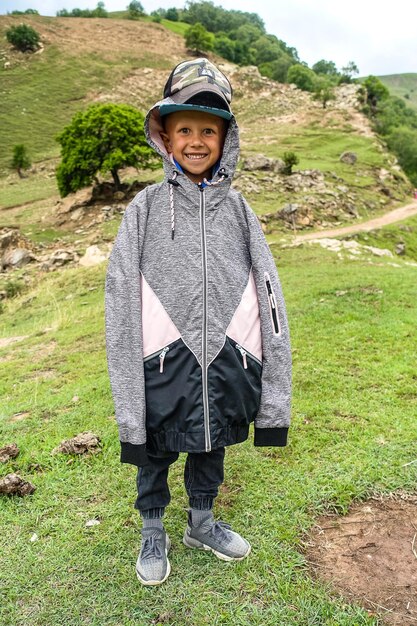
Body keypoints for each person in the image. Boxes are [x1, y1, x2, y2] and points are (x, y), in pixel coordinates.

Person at [104, 57, 292, 586]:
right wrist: (127, 377)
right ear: (164, 134)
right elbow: (119, 295)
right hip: (160, 359)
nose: (195, 140)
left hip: (226, 357)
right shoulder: (143, 209)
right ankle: (153, 528)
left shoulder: (239, 211)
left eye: (208, 130)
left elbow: (270, 292)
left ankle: (202, 522)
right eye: (184, 128)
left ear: (225, 138)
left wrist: (269, 380)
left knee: (211, 443)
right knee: (156, 450)